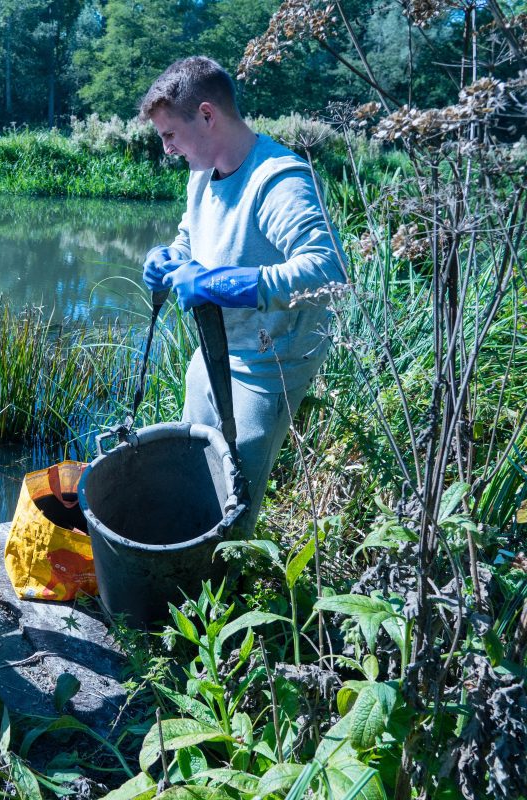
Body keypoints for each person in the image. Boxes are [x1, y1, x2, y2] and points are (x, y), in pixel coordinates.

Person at [138, 56, 347, 530]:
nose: (167, 149)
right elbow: (190, 236)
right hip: (212, 350)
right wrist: (169, 255)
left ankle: (224, 592)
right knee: (194, 476)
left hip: (268, 366)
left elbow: (329, 269)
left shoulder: (277, 179)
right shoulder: (201, 171)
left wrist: (224, 284)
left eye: (170, 135)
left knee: (233, 509)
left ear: (208, 115)